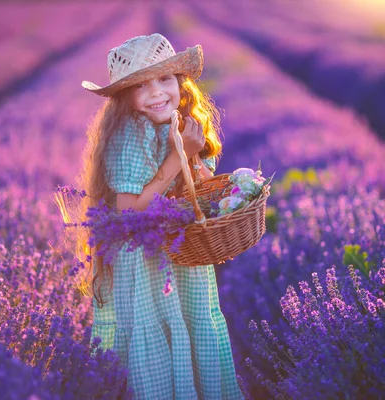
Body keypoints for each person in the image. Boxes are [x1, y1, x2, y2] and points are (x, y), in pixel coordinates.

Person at [74, 33, 244, 399]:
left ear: (181, 84)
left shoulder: (185, 124)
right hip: (146, 264)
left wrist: (194, 154)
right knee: (155, 343)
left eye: (164, 79)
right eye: (141, 86)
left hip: (183, 259)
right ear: (126, 98)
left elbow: (202, 193)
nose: (156, 93)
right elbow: (131, 211)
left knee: (190, 330)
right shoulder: (128, 134)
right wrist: (174, 158)